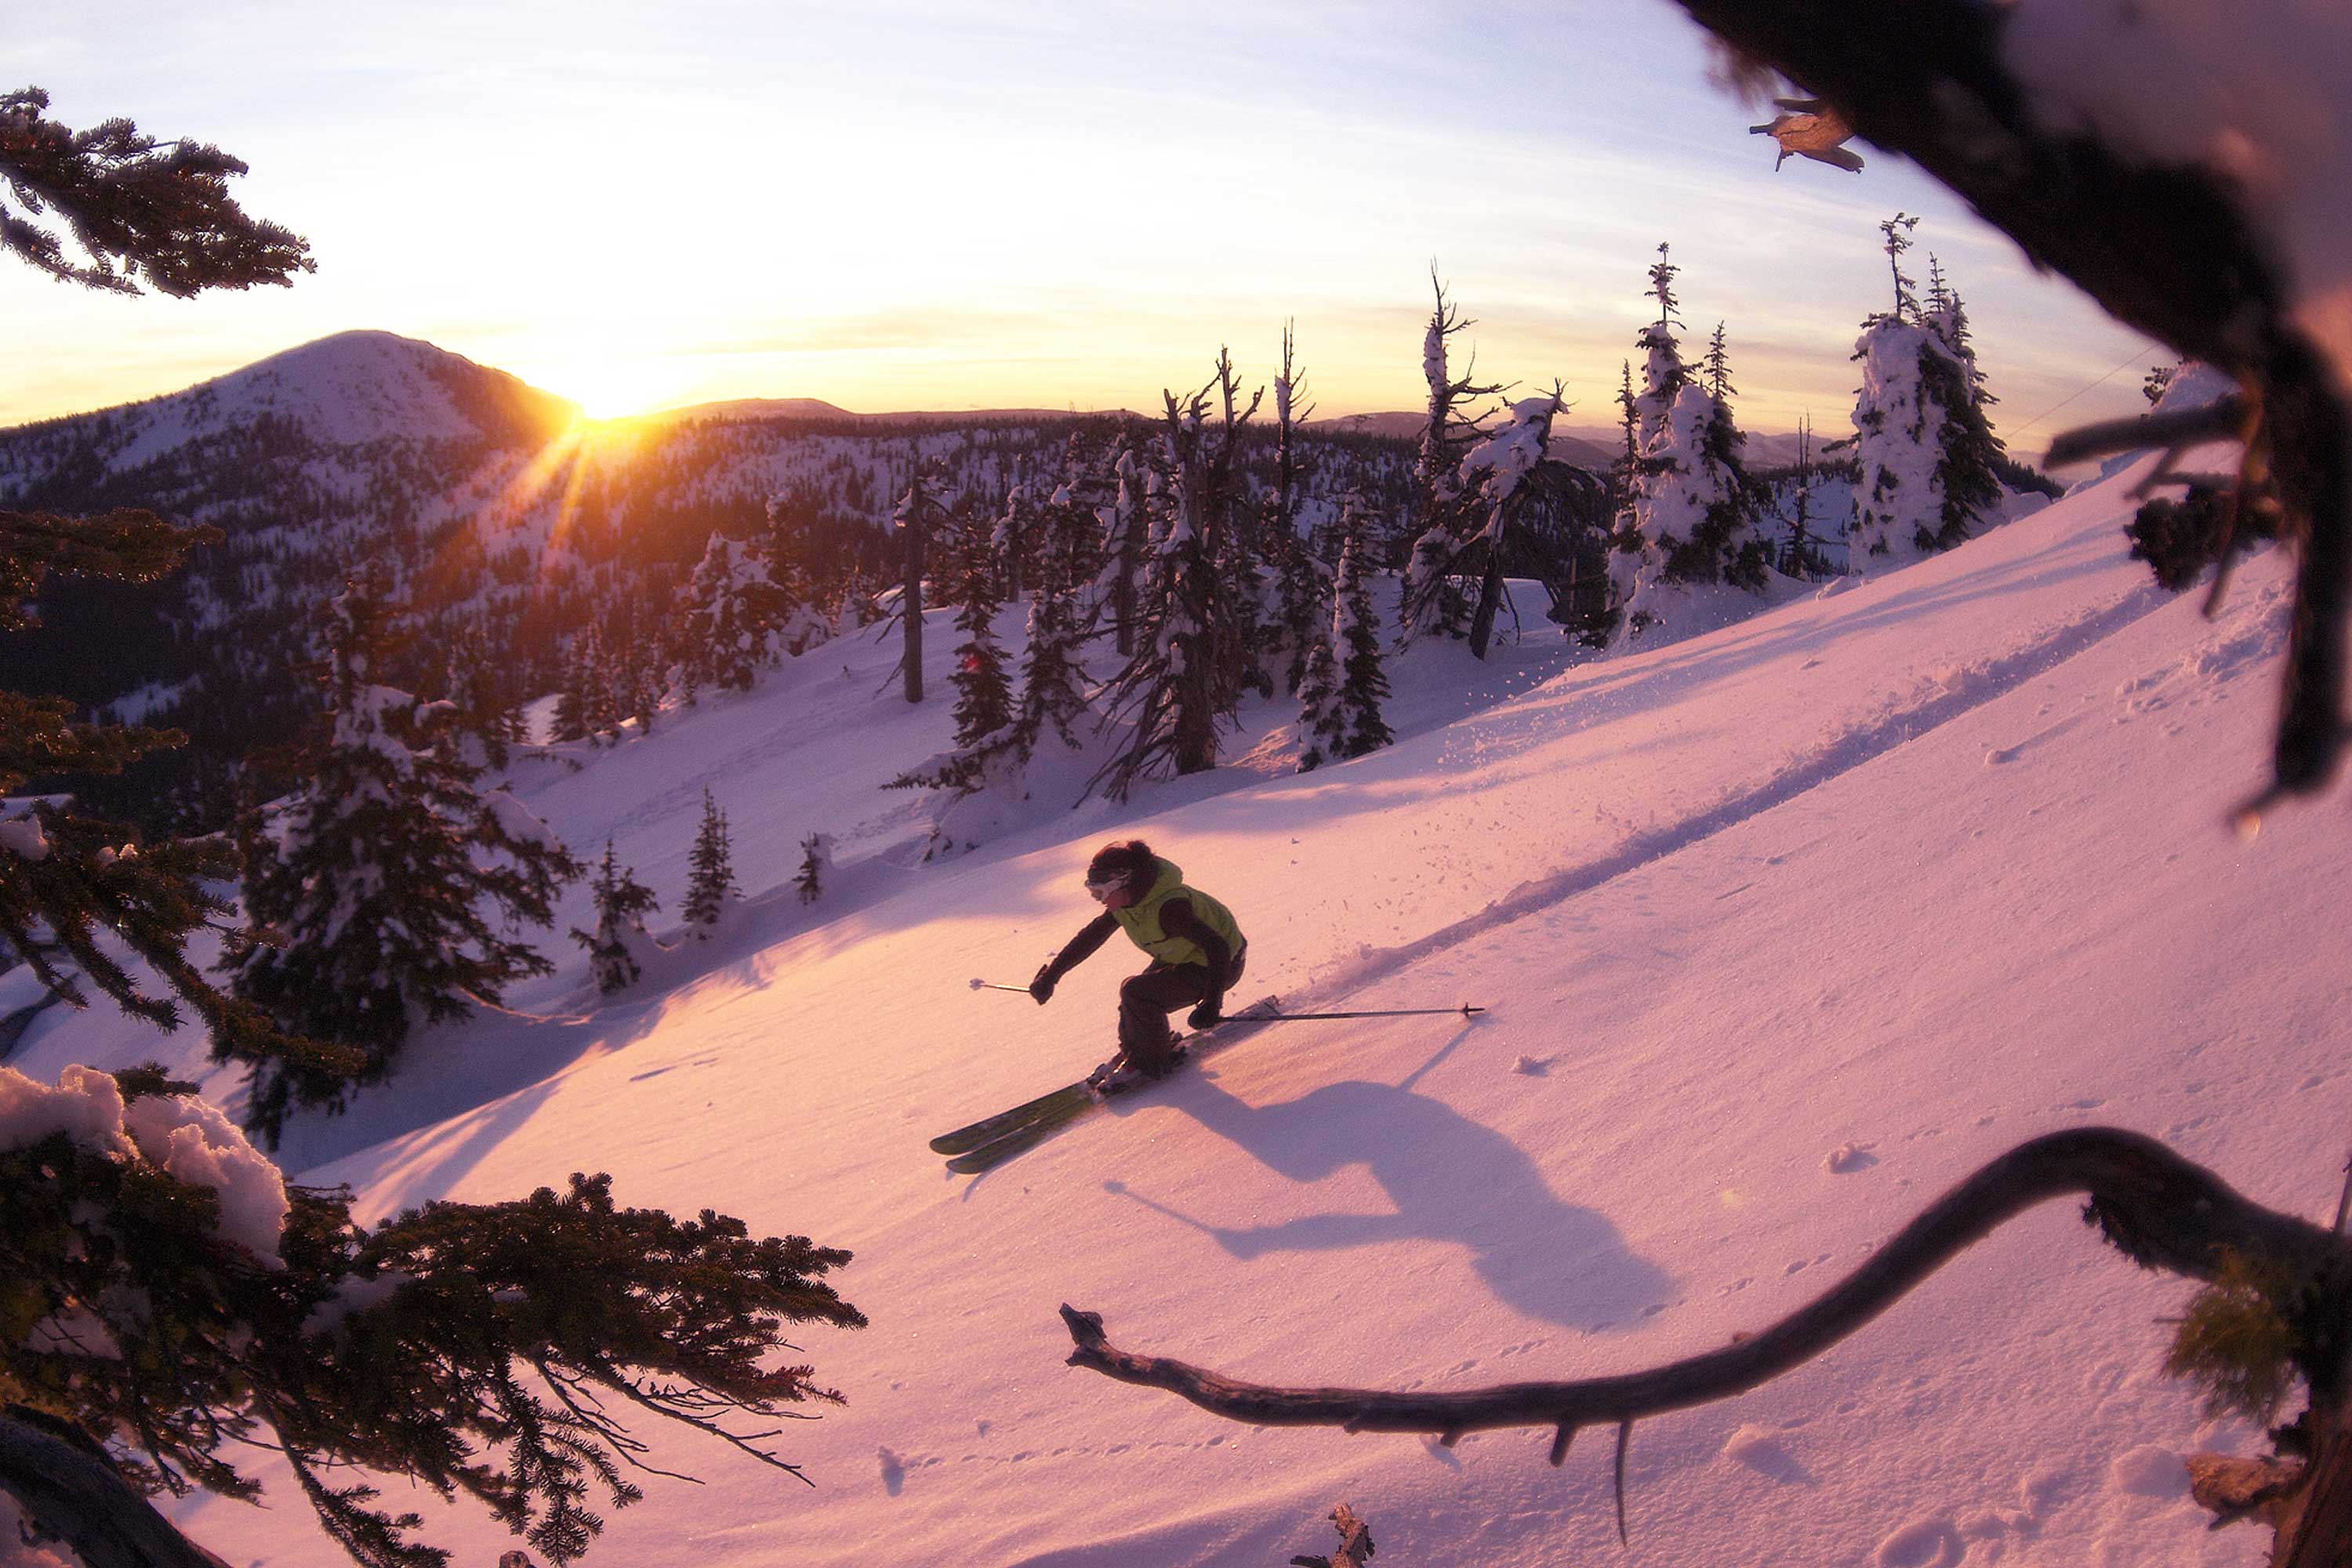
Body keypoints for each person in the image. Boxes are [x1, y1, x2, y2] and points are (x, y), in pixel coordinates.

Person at [1028, 839, 1247, 1081]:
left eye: (1100, 891)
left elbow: (1217, 948)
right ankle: (1137, 1052)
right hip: (1184, 956)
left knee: (1138, 993)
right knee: (1134, 995)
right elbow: (1091, 937)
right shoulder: (1130, 901)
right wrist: (1052, 975)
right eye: (1093, 891)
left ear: (1123, 882)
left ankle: (1151, 1060)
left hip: (1222, 965)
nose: (1097, 899)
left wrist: (1212, 1003)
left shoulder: (1170, 909)